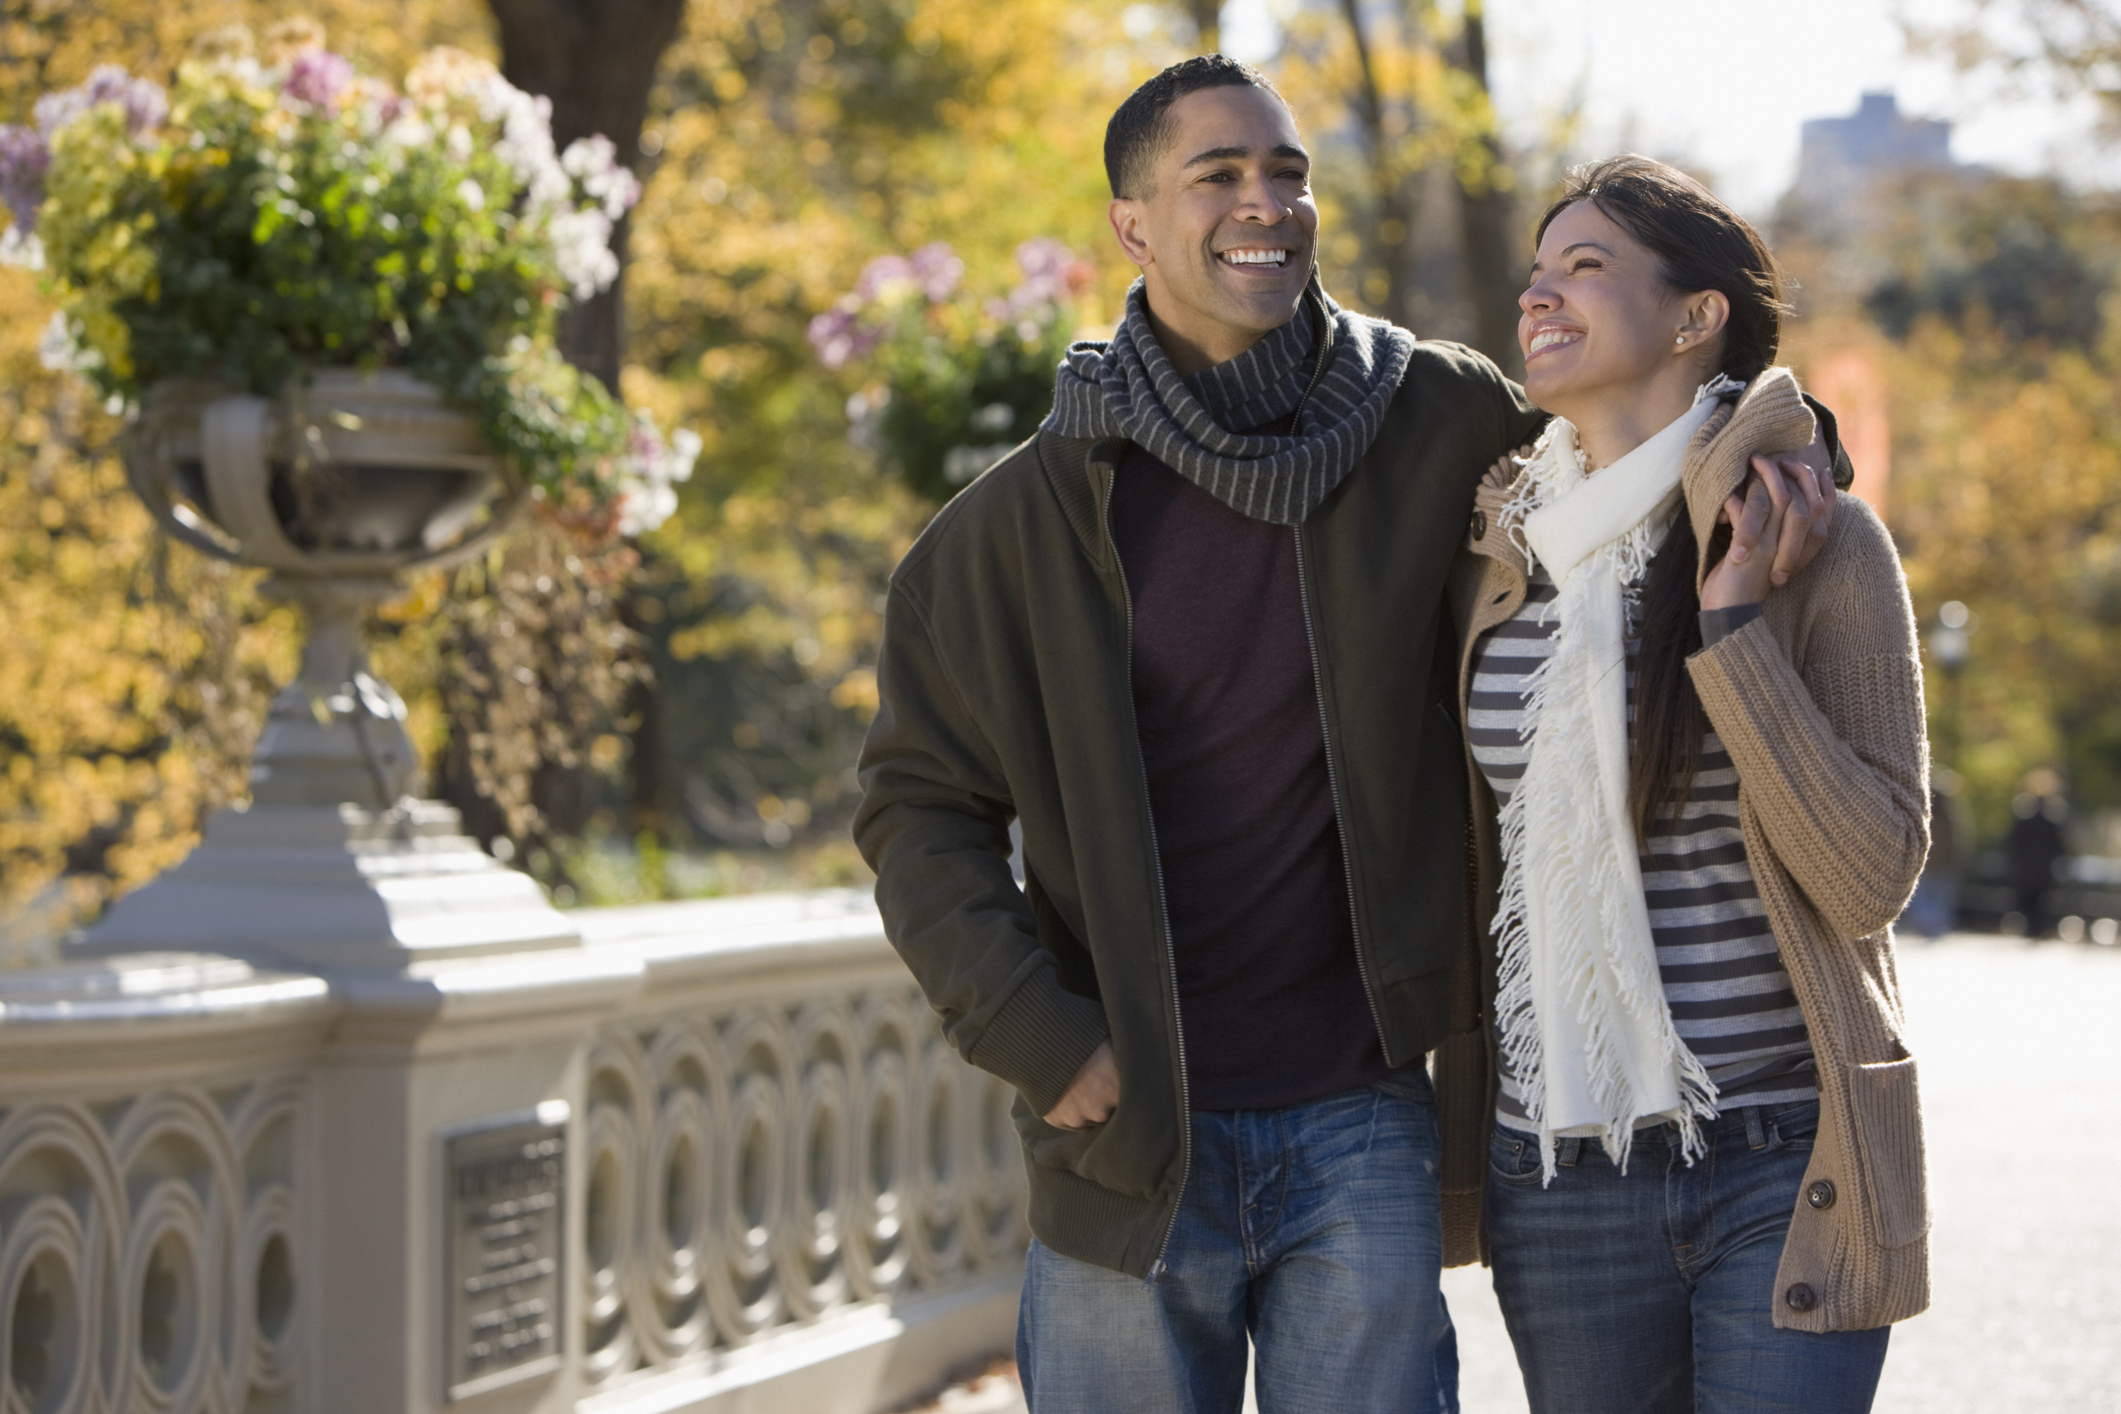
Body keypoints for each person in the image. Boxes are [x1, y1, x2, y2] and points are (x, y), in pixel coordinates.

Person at [855, 61, 1838, 1414]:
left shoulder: (1433, 417)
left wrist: (1789, 442)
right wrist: (1036, 1032)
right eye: (1219, 176)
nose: (1270, 203)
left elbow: (1650, 421)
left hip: (1361, 1113)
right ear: (1132, 226)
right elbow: (917, 805)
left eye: (1289, 171)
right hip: (1129, 1122)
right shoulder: (1015, 528)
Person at [1439, 156, 1930, 1414]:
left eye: (1585, 269)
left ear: (1695, 313)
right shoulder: (1501, 550)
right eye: (1536, 274)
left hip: (1782, 1159)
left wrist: (1735, 627)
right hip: (1558, 1169)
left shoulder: (1812, 539)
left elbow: (1870, 877)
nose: (1540, 297)